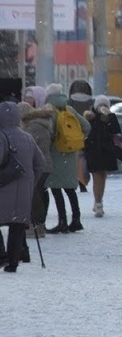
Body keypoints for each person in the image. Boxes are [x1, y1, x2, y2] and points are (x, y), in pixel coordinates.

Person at [0, 101, 46, 272]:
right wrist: (30, 182)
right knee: (17, 226)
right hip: (24, 190)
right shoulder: (28, 137)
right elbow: (40, 164)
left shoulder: (1, 135)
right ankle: (13, 262)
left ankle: (1, 256)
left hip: (3, 186)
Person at [43, 83, 90, 234]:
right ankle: (76, 219)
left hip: (55, 154)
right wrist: (74, 140)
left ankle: (62, 221)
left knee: (56, 189)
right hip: (70, 155)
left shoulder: (50, 111)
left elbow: (48, 133)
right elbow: (87, 126)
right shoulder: (69, 109)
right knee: (70, 189)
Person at [83, 95, 122, 218]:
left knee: (103, 175)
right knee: (97, 176)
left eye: (105, 105)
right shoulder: (91, 117)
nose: (103, 107)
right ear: (96, 106)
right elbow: (87, 132)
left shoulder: (110, 117)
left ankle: (99, 201)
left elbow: (116, 130)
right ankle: (98, 203)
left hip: (107, 151)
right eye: (100, 105)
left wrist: (109, 118)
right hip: (94, 150)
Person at [20, 87, 53, 238]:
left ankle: (37, 225)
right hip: (44, 164)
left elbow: (30, 147)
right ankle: (39, 225)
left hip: (39, 165)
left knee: (36, 196)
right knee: (40, 194)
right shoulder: (41, 122)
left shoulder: (34, 126)